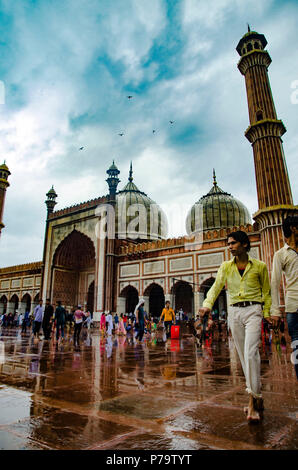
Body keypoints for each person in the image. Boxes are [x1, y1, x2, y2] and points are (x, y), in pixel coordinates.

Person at [199, 230, 271, 423]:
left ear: (245, 244)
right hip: (235, 312)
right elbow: (215, 287)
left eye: (233, 243)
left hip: (253, 309)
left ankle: (251, 402)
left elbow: (266, 292)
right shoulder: (225, 267)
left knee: (250, 353)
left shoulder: (260, 266)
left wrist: (269, 313)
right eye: (228, 244)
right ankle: (258, 394)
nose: (229, 246)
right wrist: (207, 305)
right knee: (243, 356)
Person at [270, 216, 298, 380]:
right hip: (294, 308)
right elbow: (274, 283)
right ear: (294, 228)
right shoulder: (281, 254)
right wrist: (275, 311)